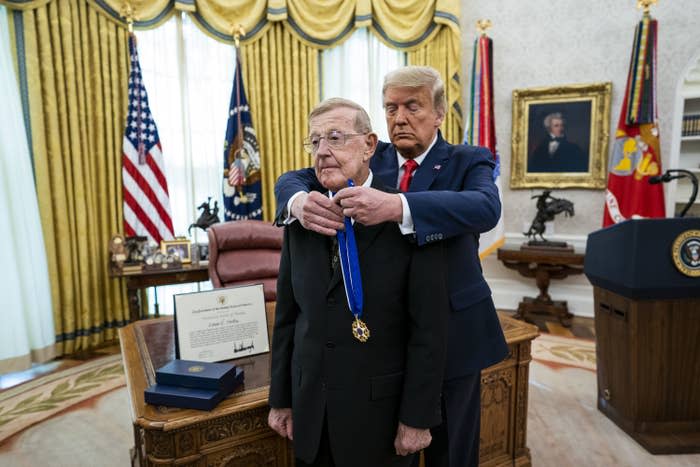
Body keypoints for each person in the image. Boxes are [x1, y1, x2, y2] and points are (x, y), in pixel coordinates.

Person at [274, 66, 508, 467]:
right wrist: (296, 202)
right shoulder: (372, 154)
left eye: (412, 106)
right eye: (390, 108)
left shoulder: (468, 160)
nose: (399, 118)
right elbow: (296, 176)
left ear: (438, 113)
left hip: (453, 336)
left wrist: (399, 206)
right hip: (384, 340)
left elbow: (486, 208)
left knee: (449, 453)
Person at [267, 97, 450, 467]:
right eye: (314, 141)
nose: (322, 151)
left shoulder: (407, 216)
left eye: (334, 138)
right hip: (311, 415)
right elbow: (288, 317)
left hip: (379, 420)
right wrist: (281, 398)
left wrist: (417, 419)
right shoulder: (300, 217)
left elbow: (429, 331)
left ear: (369, 145)